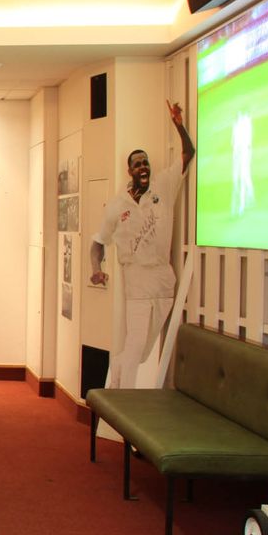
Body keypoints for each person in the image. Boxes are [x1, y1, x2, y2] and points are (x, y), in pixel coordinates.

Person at [89, 101, 195, 390]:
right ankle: (125, 402)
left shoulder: (164, 185)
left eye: (146, 162)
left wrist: (178, 124)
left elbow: (188, 154)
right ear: (129, 171)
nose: (143, 167)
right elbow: (98, 243)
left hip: (163, 278)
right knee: (136, 344)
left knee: (145, 349)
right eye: (138, 164)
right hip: (135, 278)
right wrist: (96, 269)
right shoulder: (116, 206)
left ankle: (116, 379)